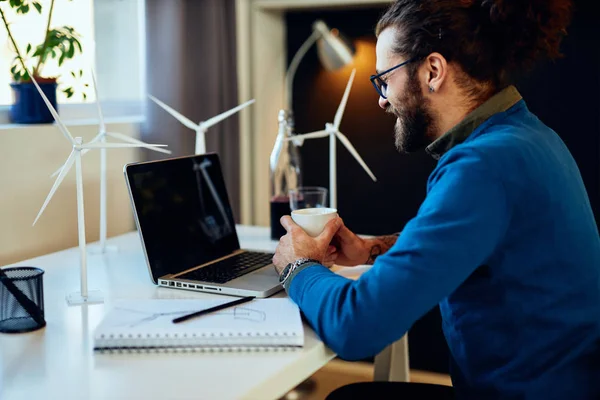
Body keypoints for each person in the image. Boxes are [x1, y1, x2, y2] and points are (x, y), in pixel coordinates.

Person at [272, 0, 600, 399]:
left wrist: (298, 266)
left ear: (432, 71)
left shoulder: (481, 166)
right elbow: (480, 245)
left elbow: (357, 329)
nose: (381, 99)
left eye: (384, 80)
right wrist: (371, 249)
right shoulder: (527, 137)